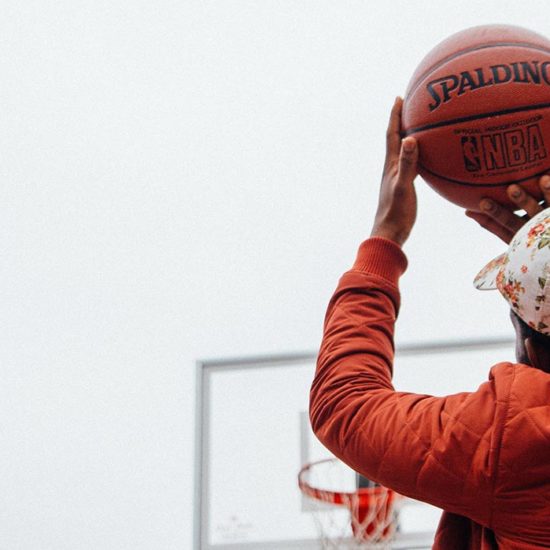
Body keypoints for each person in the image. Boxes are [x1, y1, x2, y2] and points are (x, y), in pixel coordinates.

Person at [309, 96, 550, 549]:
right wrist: (541, 246)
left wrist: (385, 238)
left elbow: (345, 404)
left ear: (530, 346)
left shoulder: (517, 440)